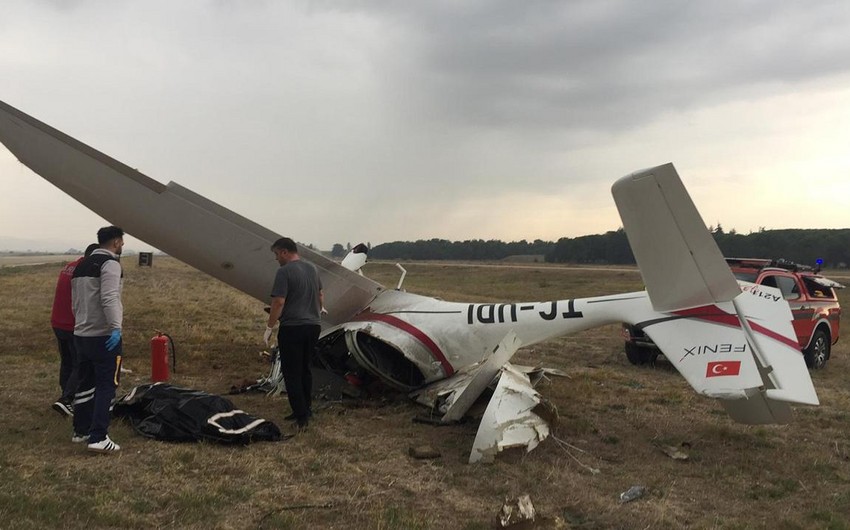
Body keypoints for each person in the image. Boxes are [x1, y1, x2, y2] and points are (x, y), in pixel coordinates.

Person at [70, 226, 125, 453]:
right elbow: (110, 297)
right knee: (106, 386)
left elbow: (75, 302)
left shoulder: (80, 265)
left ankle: (80, 431)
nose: (122, 244)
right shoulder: (110, 264)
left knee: (84, 383)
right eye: (121, 241)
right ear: (115, 242)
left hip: (81, 333)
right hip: (103, 336)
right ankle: (98, 436)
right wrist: (116, 328)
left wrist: (80, 323)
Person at [264, 237, 324, 429]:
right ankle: (306, 409)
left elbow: (278, 302)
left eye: (276, 254)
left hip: (292, 328)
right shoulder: (312, 269)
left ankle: (301, 418)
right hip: (313, 326)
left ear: (284, 252)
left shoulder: (284, 272)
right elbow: (320, 295)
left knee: (292, 372)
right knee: (306, 369)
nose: (276, 259)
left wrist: (269, 326)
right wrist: (318, 309)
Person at [51, 243, 99, 417]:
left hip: (58, 321)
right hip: (74, 324)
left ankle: (65, 397)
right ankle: (67, 399)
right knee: (81, 362)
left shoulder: (69, 267)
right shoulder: (85, 271)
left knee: (67, 362)